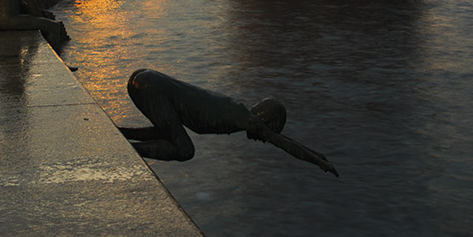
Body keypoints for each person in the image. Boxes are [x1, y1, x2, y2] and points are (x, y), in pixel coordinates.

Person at [119, 69, 338, 175]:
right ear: (266, 120)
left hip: (148, 81)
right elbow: (282, 144)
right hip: (150, 87)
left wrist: (317, 154)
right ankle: (127, 152)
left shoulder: (237, 110)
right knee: (185, 150)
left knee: (171, 135)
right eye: (269, 130)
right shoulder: (244, 118)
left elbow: (281, 139)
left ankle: (120, 135)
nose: (263, 139)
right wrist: (319, 163)